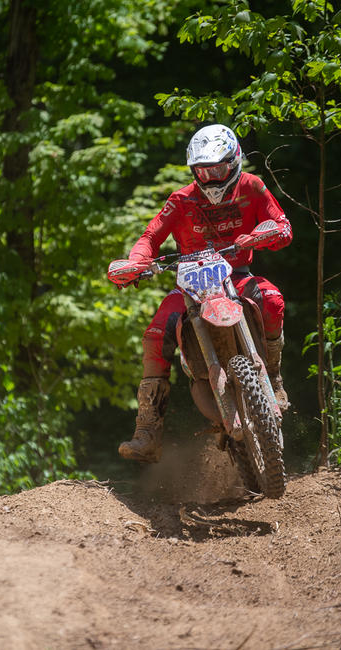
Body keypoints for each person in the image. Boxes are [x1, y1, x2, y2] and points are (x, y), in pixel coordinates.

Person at [110, 124, 292, 463]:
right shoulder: (180, 200)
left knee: (272, 300)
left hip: (236, 277)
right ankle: (147, 430)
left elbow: (282, 225)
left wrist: (263, 235)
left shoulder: (252, 187)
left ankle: (275, 376)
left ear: (234, 161)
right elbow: (150, 237)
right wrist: (137, 263)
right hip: (190, 287)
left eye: (217, 170)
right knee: (155, 334)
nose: (210, 178)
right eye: (202, 171)